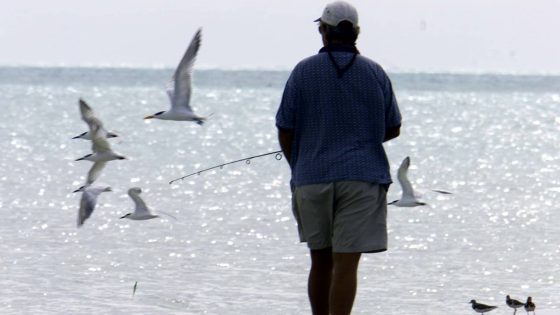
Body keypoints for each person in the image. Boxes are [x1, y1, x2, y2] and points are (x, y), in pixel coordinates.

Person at [275, 1, 402, 314]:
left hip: (310, 178)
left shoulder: (303, 71)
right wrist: (360, 136)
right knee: (346, 264)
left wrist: (299, 165)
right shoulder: (375, 72)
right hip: (362, 178)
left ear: (323, 31)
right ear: (356, 32)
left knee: (320, 261)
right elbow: (393, 127)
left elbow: (285, 127)